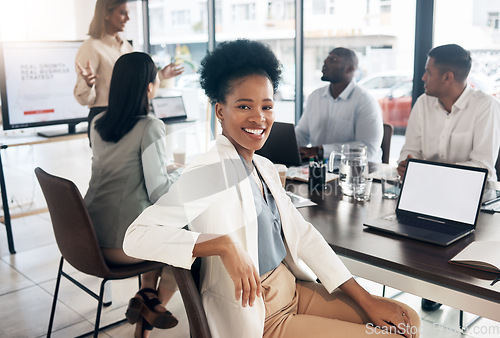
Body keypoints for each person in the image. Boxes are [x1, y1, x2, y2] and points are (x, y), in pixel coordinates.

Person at [123, 39, 420, 338]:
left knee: (407, 319)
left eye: (267, 106)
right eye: (244, 106)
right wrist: (221, 245)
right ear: (220, 111)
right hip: (258, 314)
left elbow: (304, 236)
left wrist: (365, 299)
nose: (259, 117)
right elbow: (136, 237)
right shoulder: (210, 172)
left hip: (291, 289)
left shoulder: (264, 167)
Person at [397, 44, 500, 311]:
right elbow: (411, 151)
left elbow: (482, 166)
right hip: (424, 199)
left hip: (473, 205)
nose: (423, 78)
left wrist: (425, 172)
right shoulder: (423, 103)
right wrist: (407, 165)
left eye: (427, 72)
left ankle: (443, 288)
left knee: (447, 242)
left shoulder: (486, 106)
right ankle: (426, 283)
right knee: (398, 237)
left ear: (448, 77)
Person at [84, 52, 181, 338]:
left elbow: (123, 169)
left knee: (152, 224)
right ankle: (150, 312)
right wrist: (182, 174)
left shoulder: (98, 123)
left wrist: (165, 168)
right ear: (150, 87)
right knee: (190, 244)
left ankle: (146, 299)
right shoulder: (150, 126)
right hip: (121, 246)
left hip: (86, 239)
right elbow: (159, 191)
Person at [74, 0, 183, 140]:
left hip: (127, 116)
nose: (128, 18)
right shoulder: (91, 48)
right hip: (104, 119)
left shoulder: (125, 46)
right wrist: (88, 84)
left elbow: (135, 81)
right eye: (122, 13)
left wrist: (161, 75)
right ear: (106, 14)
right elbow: (83, 99)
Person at [295, 47, 383, 163]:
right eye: (327, 58)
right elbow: (303, 133)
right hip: (320, 168)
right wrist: (288, 144)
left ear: (349, 70)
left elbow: (368, 148)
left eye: (334, 59)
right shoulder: (315, 96)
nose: (325, 61)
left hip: (357, 172)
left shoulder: (365, 101)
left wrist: (321, 151)